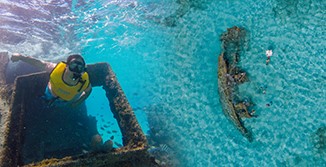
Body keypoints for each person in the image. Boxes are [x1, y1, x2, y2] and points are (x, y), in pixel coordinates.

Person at [11, 53, 92, 107]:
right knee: (41, 103)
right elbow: (38, 63)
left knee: (57, 107)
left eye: (79, 67)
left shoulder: (84, 81)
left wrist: (79, 102)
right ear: (66, 66)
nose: (75, 70)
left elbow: (88, 91)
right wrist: (20, 56)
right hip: (49, 93)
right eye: (73, 65)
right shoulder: (55, 69)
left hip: (63, 102)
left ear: (83, 70)